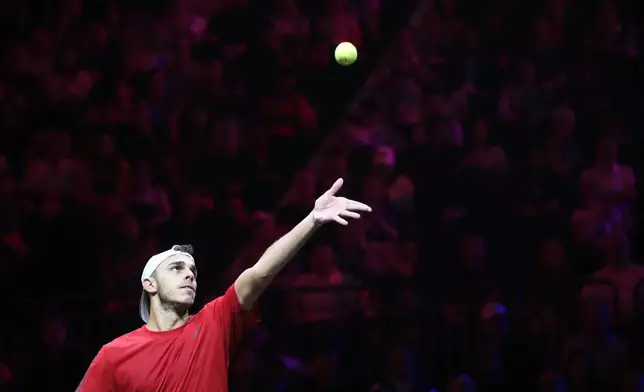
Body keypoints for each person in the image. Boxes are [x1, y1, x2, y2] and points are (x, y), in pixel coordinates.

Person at [76, 178, 371, 391]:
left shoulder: (212, 322)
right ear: (149, 284)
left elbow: (258, 274)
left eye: (192, 269)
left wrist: (312, 220)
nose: (190, 275)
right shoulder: (114, 354)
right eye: (176, 268)